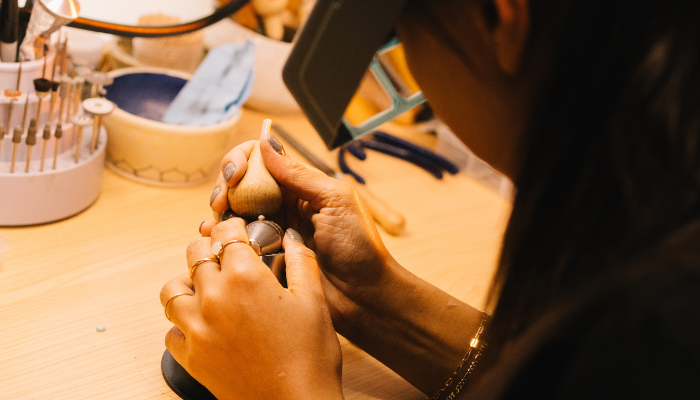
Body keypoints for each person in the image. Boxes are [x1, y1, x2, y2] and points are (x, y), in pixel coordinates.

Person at [160, 0, 700, 398]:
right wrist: (377, 302)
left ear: (495, 18)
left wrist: (287, 389)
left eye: (398, 33)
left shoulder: (658, 325)